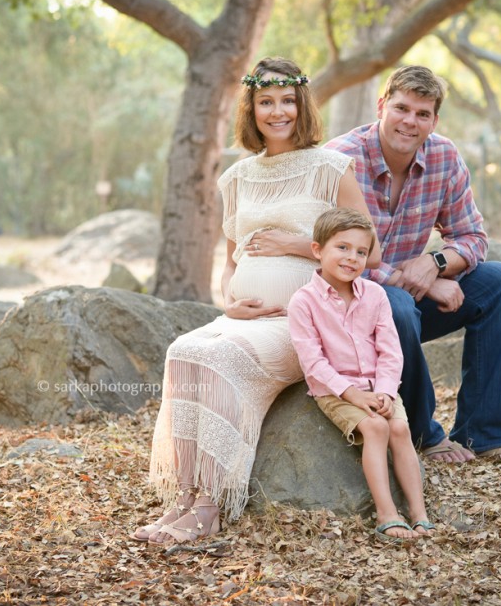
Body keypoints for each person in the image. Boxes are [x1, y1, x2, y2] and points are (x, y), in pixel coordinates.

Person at [133, 57, 379, 545]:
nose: (277, 111)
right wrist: (230, 300)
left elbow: (370, 253)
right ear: (252, 109)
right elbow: (231, 261)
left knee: (223, 358)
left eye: (287, 100)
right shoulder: (238, 177)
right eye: (266, 102)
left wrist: (294, 245)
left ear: (301, 104)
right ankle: (184, 494)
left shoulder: (332, 169)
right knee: (183, 350)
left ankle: (212, 503)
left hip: (304, 320)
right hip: (245, 317)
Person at [324, 65, 501, 466]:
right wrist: (421, 283)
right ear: (382, 106)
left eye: (422, 114)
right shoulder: (340, 160)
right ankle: (422, 433)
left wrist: (434, 262)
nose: (409, 121)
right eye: (401, 108)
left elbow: (473, 237)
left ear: (434, 120)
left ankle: (482, 434)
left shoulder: (444, 157)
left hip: (409, 305)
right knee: (394, 303)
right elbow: (334, 258)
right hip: (350, 308)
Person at [288, 207, 434, 543]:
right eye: (342, 247)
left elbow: (390, 351)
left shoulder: (376, 295)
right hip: (335, 389)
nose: (352, 257)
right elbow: (313, 363)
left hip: (377, 387)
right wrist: (353, 395)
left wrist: (385, 391)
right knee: (375, 427)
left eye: (361, 252)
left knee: (398, 426)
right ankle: (387, 513)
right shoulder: (304, 302)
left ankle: (419, 513)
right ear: (317, 250)